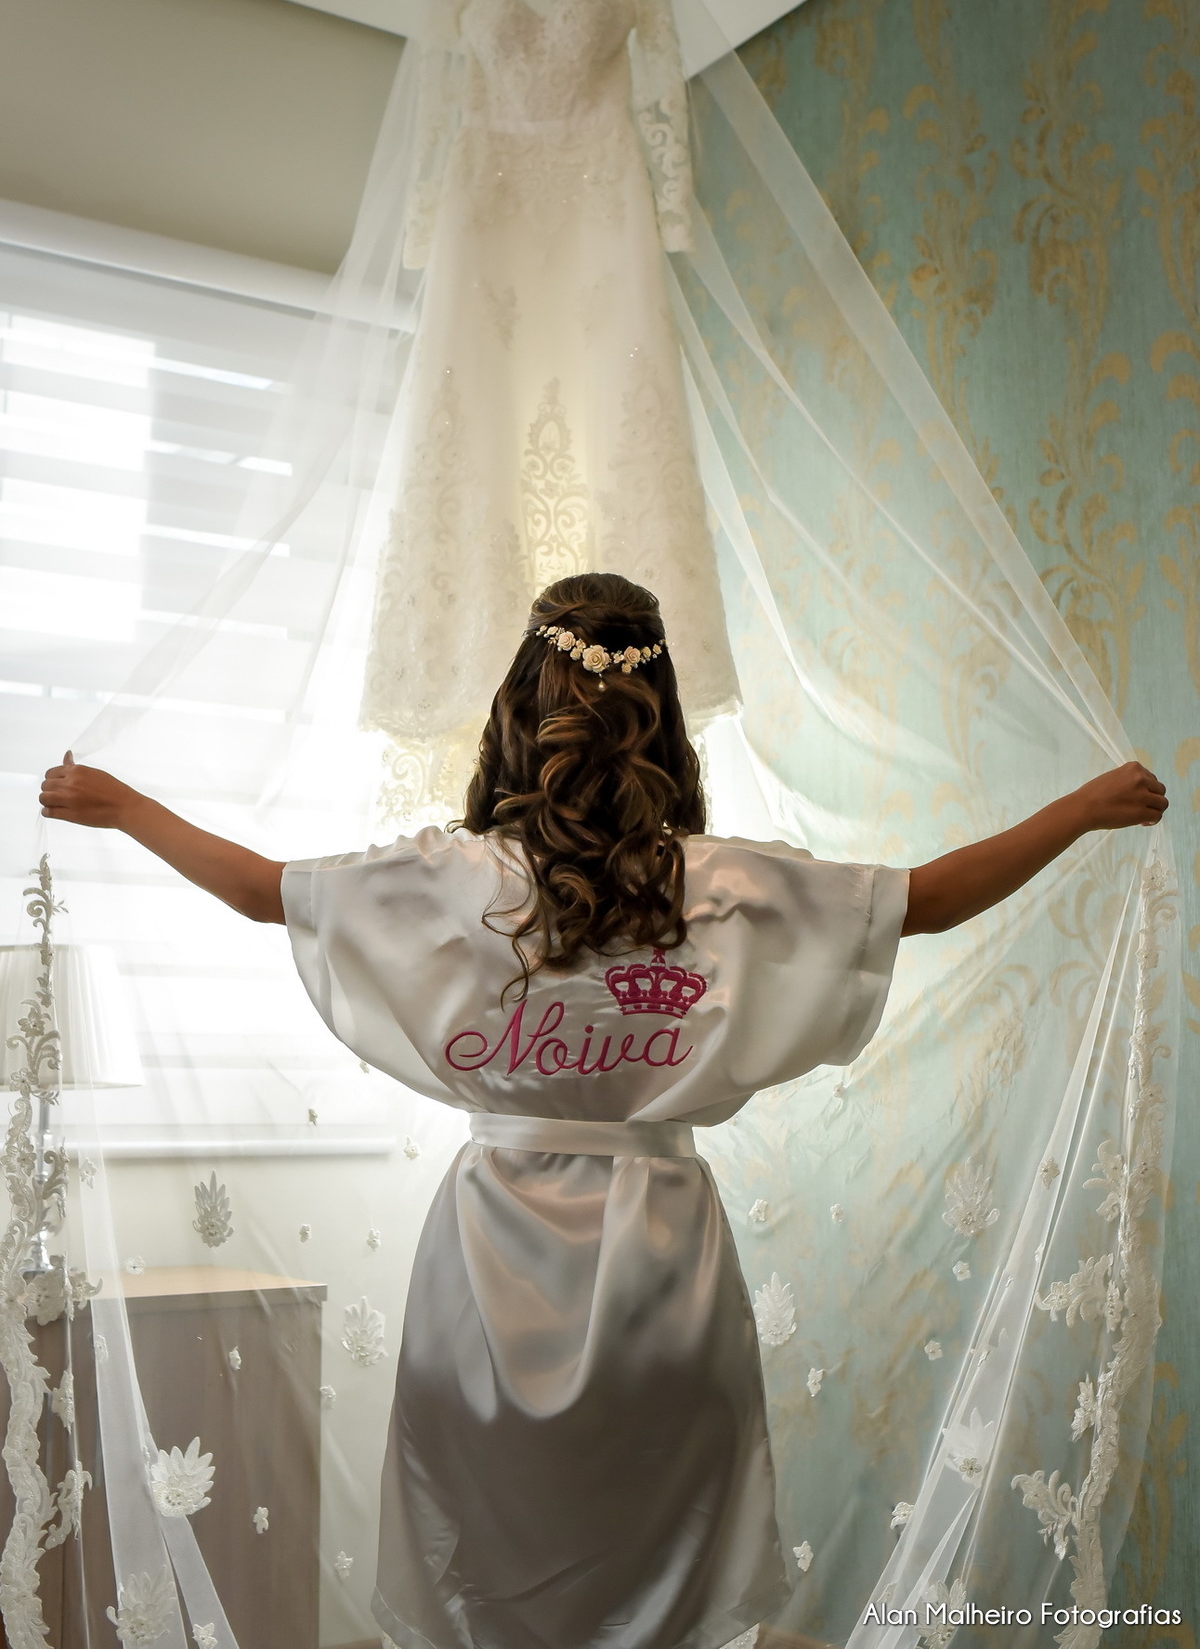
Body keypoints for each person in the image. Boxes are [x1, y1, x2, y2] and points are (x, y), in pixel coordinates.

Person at [40, 572, 1168, 1649]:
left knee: (488, 1554)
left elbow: (265, 891)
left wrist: (128, 807)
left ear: (519, 715)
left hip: (489, 1265)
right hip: (660, 1265)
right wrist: (1080, 810)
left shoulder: (455, 880)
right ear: (663, 719)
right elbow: (916, 904)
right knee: (652, 1561)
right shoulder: (720, 886)